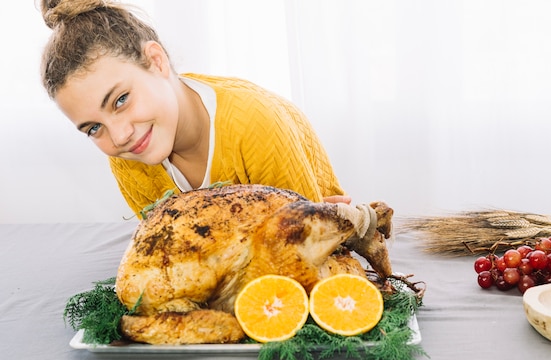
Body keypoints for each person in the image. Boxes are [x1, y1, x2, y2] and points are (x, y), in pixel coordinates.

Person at [39, 0, 351, 218]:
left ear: (157, 62)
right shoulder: (130, 155)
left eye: (121, 100)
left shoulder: (256, 123)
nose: (119, 136)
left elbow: (299, 251)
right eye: (94, 128)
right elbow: (169, 258)